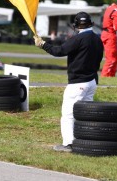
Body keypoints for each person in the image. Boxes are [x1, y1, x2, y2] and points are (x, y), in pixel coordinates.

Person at [33, 12, 104, 152]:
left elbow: (59, 51)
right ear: (91, 23)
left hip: (78, 83)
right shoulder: (97, 39)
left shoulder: (78, 38)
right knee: (85, 115)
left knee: (68, 115)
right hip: (92, 82)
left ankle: (69, 144)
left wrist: (42, 44)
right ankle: (85, 140)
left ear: (76, 25)